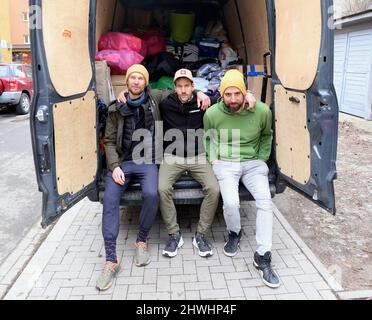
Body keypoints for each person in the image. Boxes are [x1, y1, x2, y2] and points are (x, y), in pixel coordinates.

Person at [96, 64, 211, 291]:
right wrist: (114, 166)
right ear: (127, 82)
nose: (137, 82)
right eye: (133, 78)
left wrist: (201, 93)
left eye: (141, 78)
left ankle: (141, 240)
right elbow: (109, 141)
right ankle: (111, 259)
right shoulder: (116, 108)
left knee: (151, 193)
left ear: (146, 82)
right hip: (123, 163)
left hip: (148, 160)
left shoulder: (155, 97)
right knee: (110, 199)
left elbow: (182, 91)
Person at [203, 70, 281, 288]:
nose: (233, 99)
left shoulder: (261, 111)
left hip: (253, 163)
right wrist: (213, 157)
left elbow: (267, 135)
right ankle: (234, 232)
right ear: (221, 94)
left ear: (245, 92)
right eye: (228, 94)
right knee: (230, 202)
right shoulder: (211, 114)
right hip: (225, 164)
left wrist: (262, 158)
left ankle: (263, 255)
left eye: (237, 93)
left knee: (265, 202)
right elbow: (208, 138)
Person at [158, 69, 220, 258]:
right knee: (162, 188)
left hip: (198, 155)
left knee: (213, 189)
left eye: (187, 86)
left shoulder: (203, 102)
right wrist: (122, 93)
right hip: (172, 155)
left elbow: (225, 96)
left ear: (193, 86)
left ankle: (200, 235)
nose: (184, 90)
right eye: (180, 86)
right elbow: (141, 90)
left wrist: (248, 95)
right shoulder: (165, 102)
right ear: (174, 88)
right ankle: (174, 234)